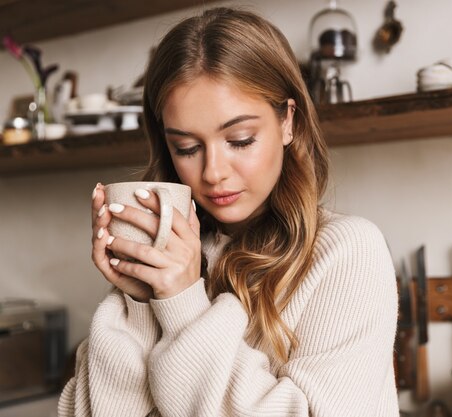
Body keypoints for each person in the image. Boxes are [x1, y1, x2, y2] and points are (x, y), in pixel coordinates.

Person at [59, 7, 399, 417]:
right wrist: (141, 303)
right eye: (186, 147)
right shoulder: (173, 255)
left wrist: (183, 303)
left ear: (288, 121)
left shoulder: (347, 252)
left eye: (239, 139)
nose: (213, 173)